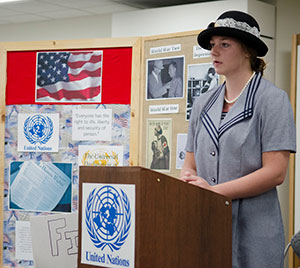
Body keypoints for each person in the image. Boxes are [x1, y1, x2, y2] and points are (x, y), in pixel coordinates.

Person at [180, 10, 296, 268]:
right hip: (205, 224)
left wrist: (213, 193)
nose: (214, 52)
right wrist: (188, 180)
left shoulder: (272, 100)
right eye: (212, 45)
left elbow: (276, 173)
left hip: (255, 229)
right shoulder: (201, 104)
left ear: (247, 51)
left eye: (224, 44)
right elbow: (189, 164)